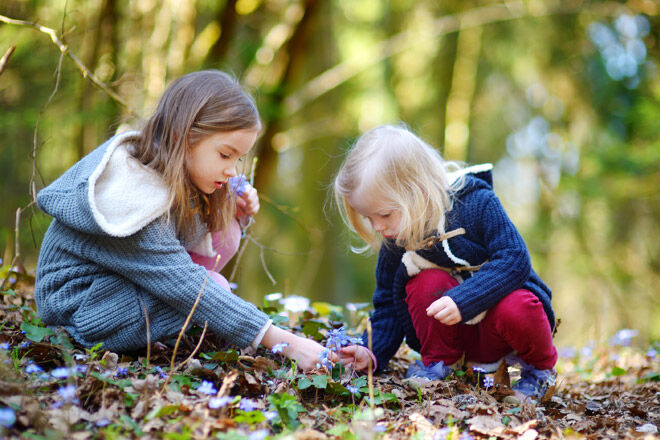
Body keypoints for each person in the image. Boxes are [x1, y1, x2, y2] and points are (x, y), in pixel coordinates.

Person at [34, 70, 330, 371]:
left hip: (109, 292)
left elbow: (198, 252)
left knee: (223, 232)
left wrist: (234, 215)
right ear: (182, 137)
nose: (232, 170)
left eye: (238, 159)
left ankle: (175, 331)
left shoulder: (168, 176)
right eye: (225, 155)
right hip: (77, 311)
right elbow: (186, 284)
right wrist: (284, 341)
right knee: (212, 287)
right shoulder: (132, 196)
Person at [334, 124, 558, 398]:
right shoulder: (396, 239)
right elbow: (388, 308)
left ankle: (539, 371)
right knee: (425, 282)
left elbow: (515, 259)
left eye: (385, 214)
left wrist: (464, 299)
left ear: (418, 191)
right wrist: (370, 350)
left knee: (518, 304)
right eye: (369, 219)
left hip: (499, 331)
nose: (378, 227)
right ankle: (440, 365)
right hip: (457, 339)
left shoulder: (477, 204)